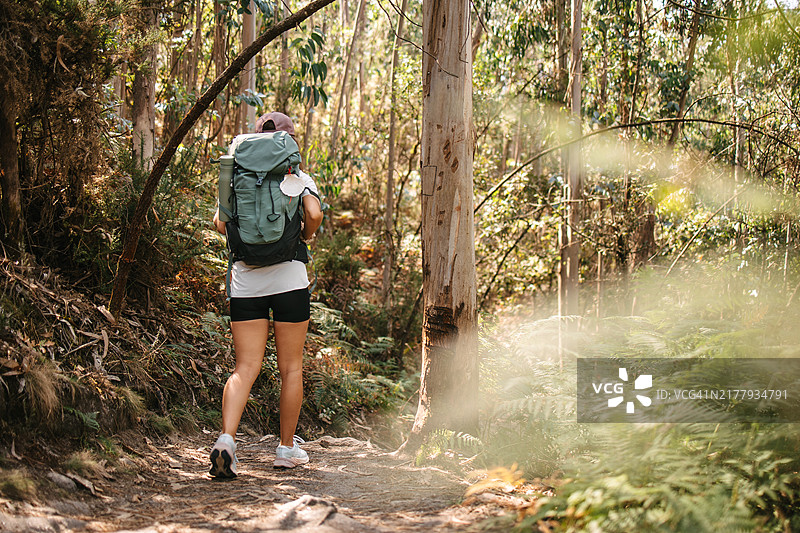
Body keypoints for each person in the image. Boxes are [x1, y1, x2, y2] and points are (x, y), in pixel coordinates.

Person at [209, 111, 323, 478]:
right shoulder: (296, 174)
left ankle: (227, 440)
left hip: (246, 281)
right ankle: (286, 449)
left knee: (244, 367)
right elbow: (314, 213)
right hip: (290, 279)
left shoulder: (236, 173)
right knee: (291, 367)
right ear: (289, 141)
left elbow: (220, 223)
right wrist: (304, 235)